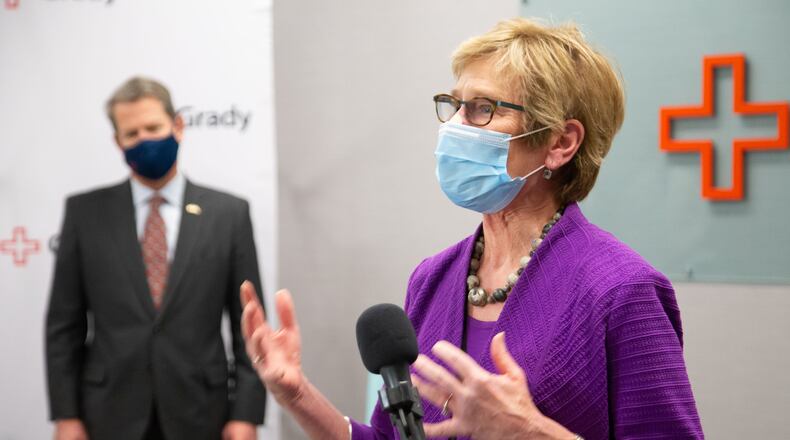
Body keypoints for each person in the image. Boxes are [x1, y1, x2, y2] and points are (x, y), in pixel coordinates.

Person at [239, 18, 704, 439]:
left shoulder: (622, 289)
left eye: (483, 109)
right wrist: (297, 394)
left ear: (560, 142)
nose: (456, 127)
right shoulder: (432, 279)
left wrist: (530, 432)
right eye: (455, 106)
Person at [46, 77, 267, 440]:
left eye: (153, 127)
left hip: (201, 412)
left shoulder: (229, 214)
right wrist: (66, 416)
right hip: (108, 413)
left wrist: (246, 415)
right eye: (131, 134)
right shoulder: (84, 214)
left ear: (177, 125)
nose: (144, 140)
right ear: (117, 141)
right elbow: (63, 327)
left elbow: (250, 326)